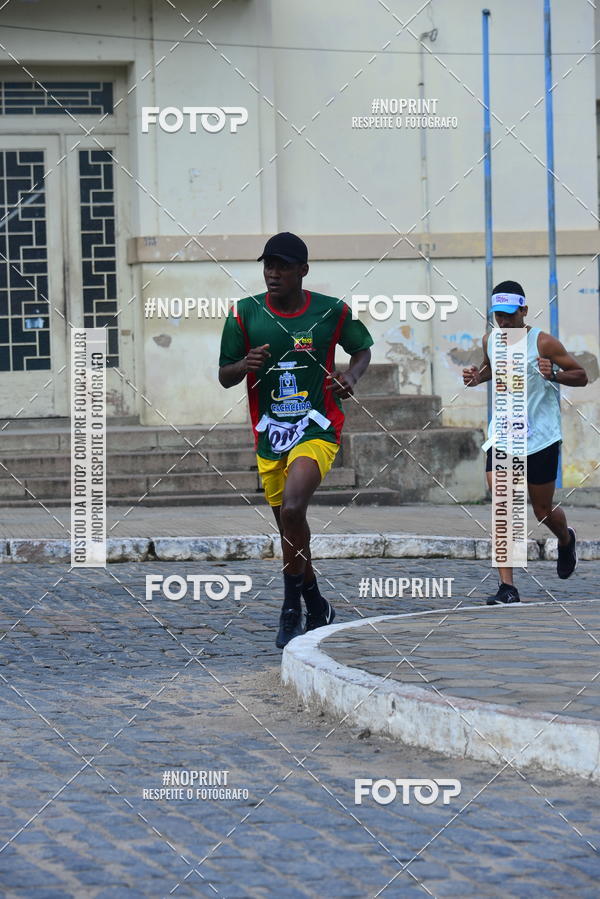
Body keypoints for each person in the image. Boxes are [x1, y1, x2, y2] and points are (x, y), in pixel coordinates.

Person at [218, 232, 373, 646]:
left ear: (303, 270)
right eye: (268, 264)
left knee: (292, 510)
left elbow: (361, 351)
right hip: (270, 434)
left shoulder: (331, 312)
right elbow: (224, 376)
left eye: (283, 265)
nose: (273, 272)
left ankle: (290, 609)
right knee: (292, 531)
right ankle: (317, 603)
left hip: (318, 426)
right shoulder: (243, 314)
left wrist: (350, 377)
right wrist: (243, 365)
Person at [463, 280, 588, 604]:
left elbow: (582, 374)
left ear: (524, 311)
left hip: (540, 438)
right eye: (497, 316)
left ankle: (565, 539)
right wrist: (478, 376)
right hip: (503, 435)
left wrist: (554, 375)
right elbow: (493, 367)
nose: (503, 322)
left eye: (508, 315)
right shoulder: (491, 339)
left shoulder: (543, 342)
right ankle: (508, 588)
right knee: (504, 505)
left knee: (542, 510)